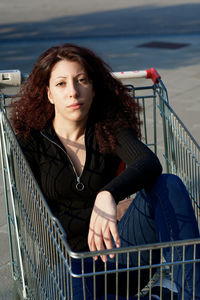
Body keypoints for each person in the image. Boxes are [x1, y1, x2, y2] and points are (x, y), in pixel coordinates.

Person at [10, 43, 200, 300]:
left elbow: (148, 162)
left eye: (81, 80)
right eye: (61, 84)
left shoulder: (107, 129)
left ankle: (192, 293)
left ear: (93, 88)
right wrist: (113, 211)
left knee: (168, 185)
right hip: (69, 266)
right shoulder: (30, 143)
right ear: (49, 94)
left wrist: (108, 194)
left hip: (120, 256)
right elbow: (40, 225)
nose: (73, 92)